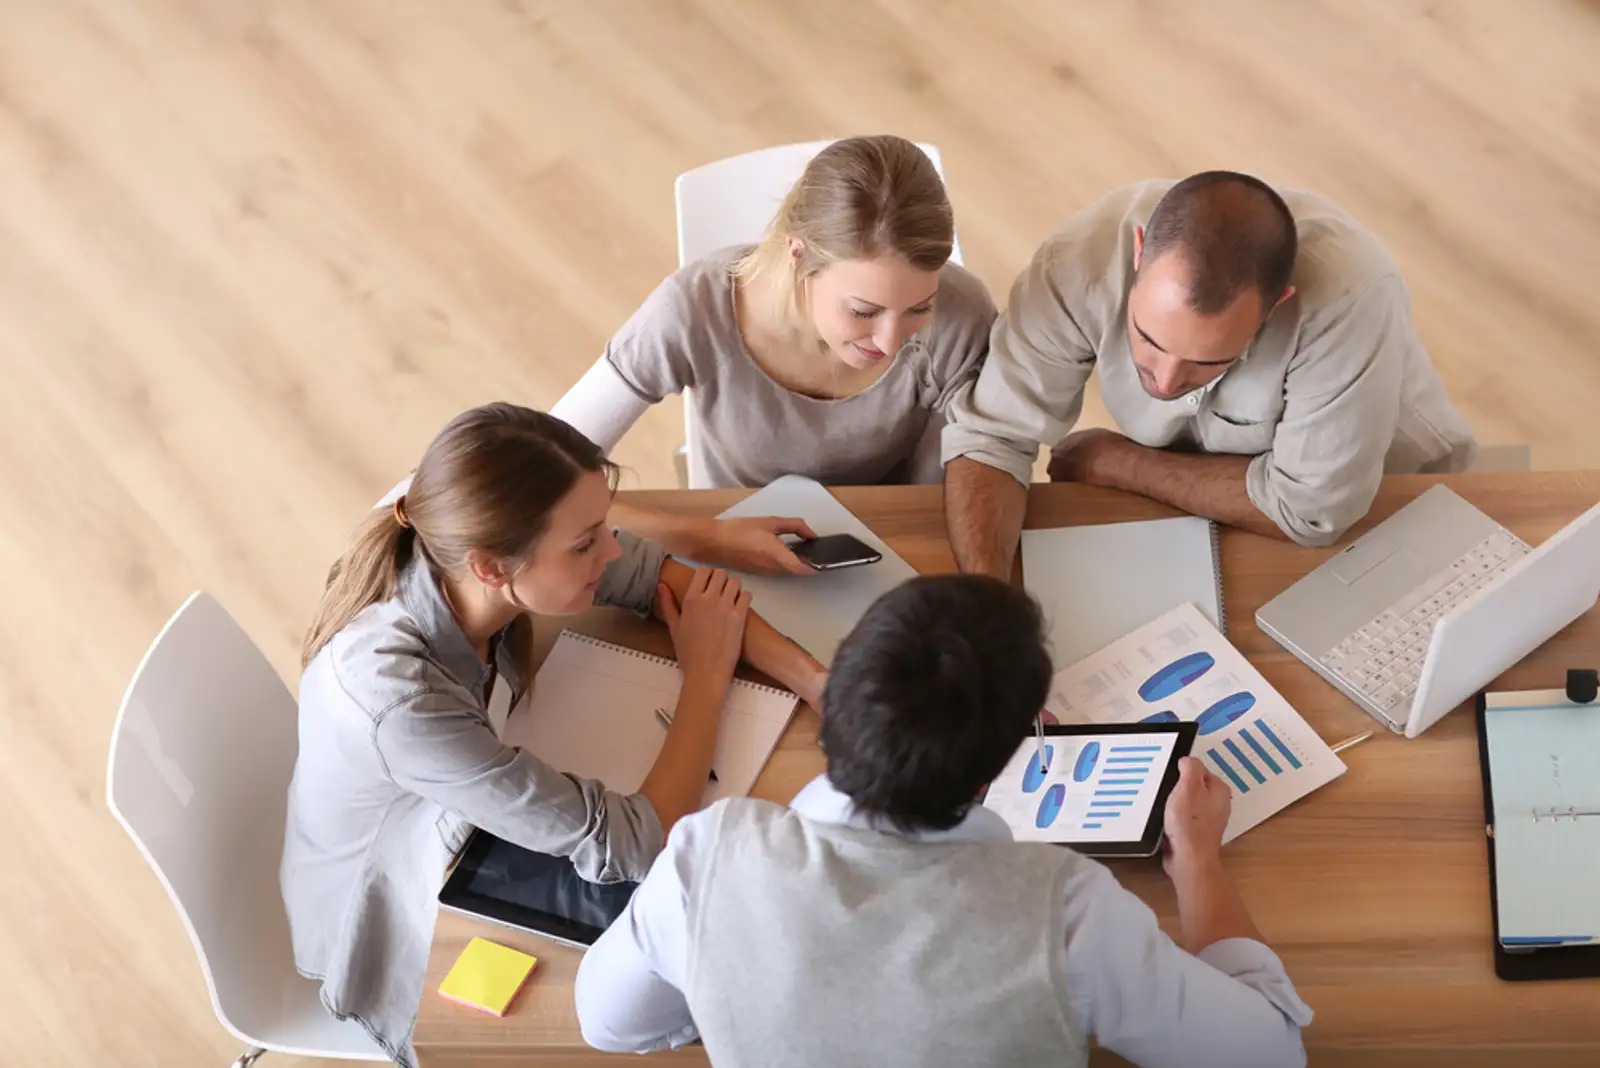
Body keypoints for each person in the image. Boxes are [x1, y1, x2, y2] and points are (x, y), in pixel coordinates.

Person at [575, 574, 1311, 1068]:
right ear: (1001, 758)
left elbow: (608, 1023)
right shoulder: (1069, 914)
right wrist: (1197, 860)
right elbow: (1272, 1050)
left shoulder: (705, 859)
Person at [279, 404, 825, 1067]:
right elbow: (637, 842)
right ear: (490, 567)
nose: (614, 549)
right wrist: (705, 675)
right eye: (585, 543)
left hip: (461, 808)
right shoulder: (400, 701)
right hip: (395, 911)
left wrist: (816, 681)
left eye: (603, 527)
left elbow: (658, 576)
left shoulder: (449, 530)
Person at [943, 171, 1477, 578]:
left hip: (1386, 500)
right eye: (1148, 338)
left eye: (1209, 360)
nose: (1167, 383)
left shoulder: (1349, 298)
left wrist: (1119, 461)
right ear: (1136, 254)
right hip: (1217, 501)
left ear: (1277, 306)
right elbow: (992, 435)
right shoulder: (1075, 263)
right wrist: (988, 607)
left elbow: (1313, 513)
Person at [551, 134, 997, 489]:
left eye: (919, 308)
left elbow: (949, 489)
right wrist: (694, 533)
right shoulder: (695, 309)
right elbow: (545, 458)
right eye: (864, 312)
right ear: (799, 256)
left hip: (892, 536)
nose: (891, 341)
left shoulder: (962, 316)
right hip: (734, 532)